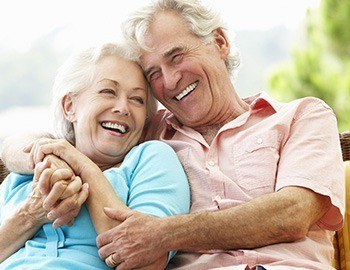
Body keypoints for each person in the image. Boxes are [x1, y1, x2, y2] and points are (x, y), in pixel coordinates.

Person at [1, 0, 344, 269]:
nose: (169, 80)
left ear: (220, 42)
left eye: (176, 57)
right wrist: (49, 156)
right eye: (153, 74)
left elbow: (294, 213)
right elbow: (27, 141)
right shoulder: (148, 130)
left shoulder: (302, 116)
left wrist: (163, 234)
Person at [0, 42, 190, 269]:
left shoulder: (151, 159)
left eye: (137, 99)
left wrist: (84, 168)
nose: (123, 108)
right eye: (108, 91)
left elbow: (146, 262)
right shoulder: (24, 172)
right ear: (70, 106)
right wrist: (30, 214)